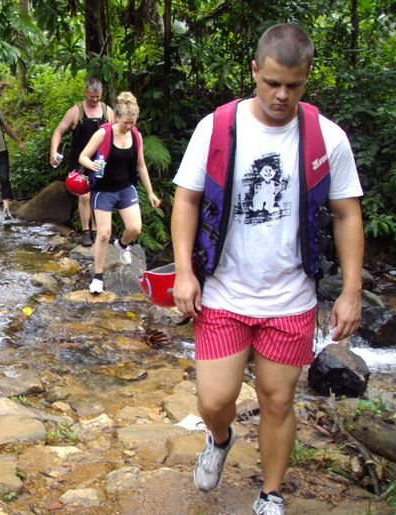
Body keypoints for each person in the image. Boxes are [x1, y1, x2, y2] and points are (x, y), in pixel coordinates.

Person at [170, 23, 364, 515]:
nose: (281, 95)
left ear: (307, 78)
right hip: (224, 292)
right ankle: (220, 438)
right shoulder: (217, 128)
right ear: (254, 71)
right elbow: (186, 201)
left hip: (291, 297)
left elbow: (346, 213)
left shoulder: (328, 139)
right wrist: (183, 272)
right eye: (271, 82)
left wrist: (352, 290)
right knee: (215, 400)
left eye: (293, 86)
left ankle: (270, 494)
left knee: (278, 400)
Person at [78, 91, 161, 294]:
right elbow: (83, 157)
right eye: (125, 123)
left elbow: (141, 166)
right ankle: (97, 278)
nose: (129, 127)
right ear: (116, 118)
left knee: (135, 229)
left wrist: (150, 193)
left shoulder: (136, 135)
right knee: (104, 233)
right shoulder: (103, 133)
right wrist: (92, 165)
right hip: (104, 190)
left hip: (125, 188)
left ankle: (123, 245)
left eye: (132, 123)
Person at [50, 78, 115, 247]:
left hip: (101, 161)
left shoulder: (107, 111)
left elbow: (115, 134)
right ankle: (86, 231)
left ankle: (96, 230)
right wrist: (53, 152)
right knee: (85, 196)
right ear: (85, 93)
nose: (95, 100)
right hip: (80, 160)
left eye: (98, 97)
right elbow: (58, 132)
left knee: (99, 195)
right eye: (92, 96)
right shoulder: (75, 111)